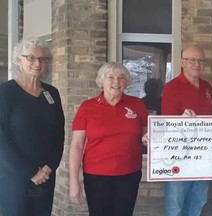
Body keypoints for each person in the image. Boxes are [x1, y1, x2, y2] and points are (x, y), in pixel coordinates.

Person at [69, 62, 148, 216]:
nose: (116, 82)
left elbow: (145, 137)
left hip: (129, 174)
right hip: (96, 176)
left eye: (121, 78)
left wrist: (148, 139)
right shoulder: (87, 107)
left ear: (127, 82)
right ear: (102, 81)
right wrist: (74, 181)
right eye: (110, 77)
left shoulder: (137, 105)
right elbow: (76, 146)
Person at [0, 37, 65, 216]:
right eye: (31, 58)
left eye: (42, 59)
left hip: (45, 176)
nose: (37, 63)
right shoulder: (5, 93)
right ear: (18, 60)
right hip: (15, 176)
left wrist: (49, 167)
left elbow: (59, 135)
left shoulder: (52, 93)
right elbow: (2, 139)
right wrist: (31, 172)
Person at [161, 46, 212, 216]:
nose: (197, 64)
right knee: (175, 203)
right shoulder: (172, 87)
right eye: (192, 59)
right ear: (182, 62)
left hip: (202, 154)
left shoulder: (207, 87)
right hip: (179, 155)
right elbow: (166, 124)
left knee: (199, 199)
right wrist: (181, 120)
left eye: (200, 60)